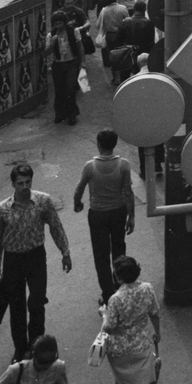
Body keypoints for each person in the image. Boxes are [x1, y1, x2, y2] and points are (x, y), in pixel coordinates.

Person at [0, 162, 73, 362]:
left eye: (28, 182)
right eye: (20, 183)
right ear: (13, 184)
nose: (25, 187)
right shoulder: (2, 209)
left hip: (36, 257)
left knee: (36, 303)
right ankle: (20, 349)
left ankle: (36, 346)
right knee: (17, 307)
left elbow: (55, 226)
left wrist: (65, 252)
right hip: (13, 261)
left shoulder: (43, 201)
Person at [73, 129, 135, 305]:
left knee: (101, 255)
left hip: (98, 215)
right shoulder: (124, 165)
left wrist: (77, 203)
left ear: (99, 144)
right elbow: (128, 192)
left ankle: (108, 294)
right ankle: (120, 286)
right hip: (118, 212)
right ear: (114, 145)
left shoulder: (90, 166)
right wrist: (131, 216)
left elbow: (79, 188)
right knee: (119, 251)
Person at [101, 255, 161, 384]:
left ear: (118, 278)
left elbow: (109, 327)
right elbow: (154, 314)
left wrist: (104, 314)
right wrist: (157, 333)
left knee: (121, 381)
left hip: (119, 352)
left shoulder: (115, 299)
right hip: (142, 347)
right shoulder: (147, 289)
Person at [0, 334, 74, 384]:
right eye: (42, 362)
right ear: (33, 356)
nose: (47, 366)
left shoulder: (57, 368)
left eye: (51, 361)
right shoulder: (16, 370)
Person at [46, 10, 84, 126]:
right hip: (57, 65)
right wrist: (52, 43)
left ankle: (72, 114)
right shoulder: (51, 35)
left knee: (70, 89)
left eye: (60, 23)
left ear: (64, 22)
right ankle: (60, 114)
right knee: (59, 90)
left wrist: (82, 62)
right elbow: (47, 52)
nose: (58, 26)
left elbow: (80, 47)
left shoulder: (74, 31)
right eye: (56, 24)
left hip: (71, 63)